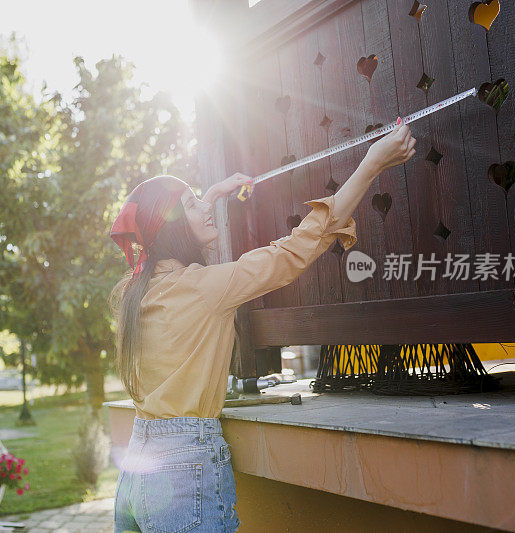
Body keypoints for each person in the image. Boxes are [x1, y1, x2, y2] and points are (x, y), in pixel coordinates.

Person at [108, 119, 416, 532]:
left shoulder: (133, 292)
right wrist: (371, 165)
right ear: (176, 228)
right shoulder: (204, 289)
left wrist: (211, 196)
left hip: (138, 469)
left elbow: (167, 240)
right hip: (184, 470)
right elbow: (294, 251)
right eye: (193, 206)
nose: (205, 207)